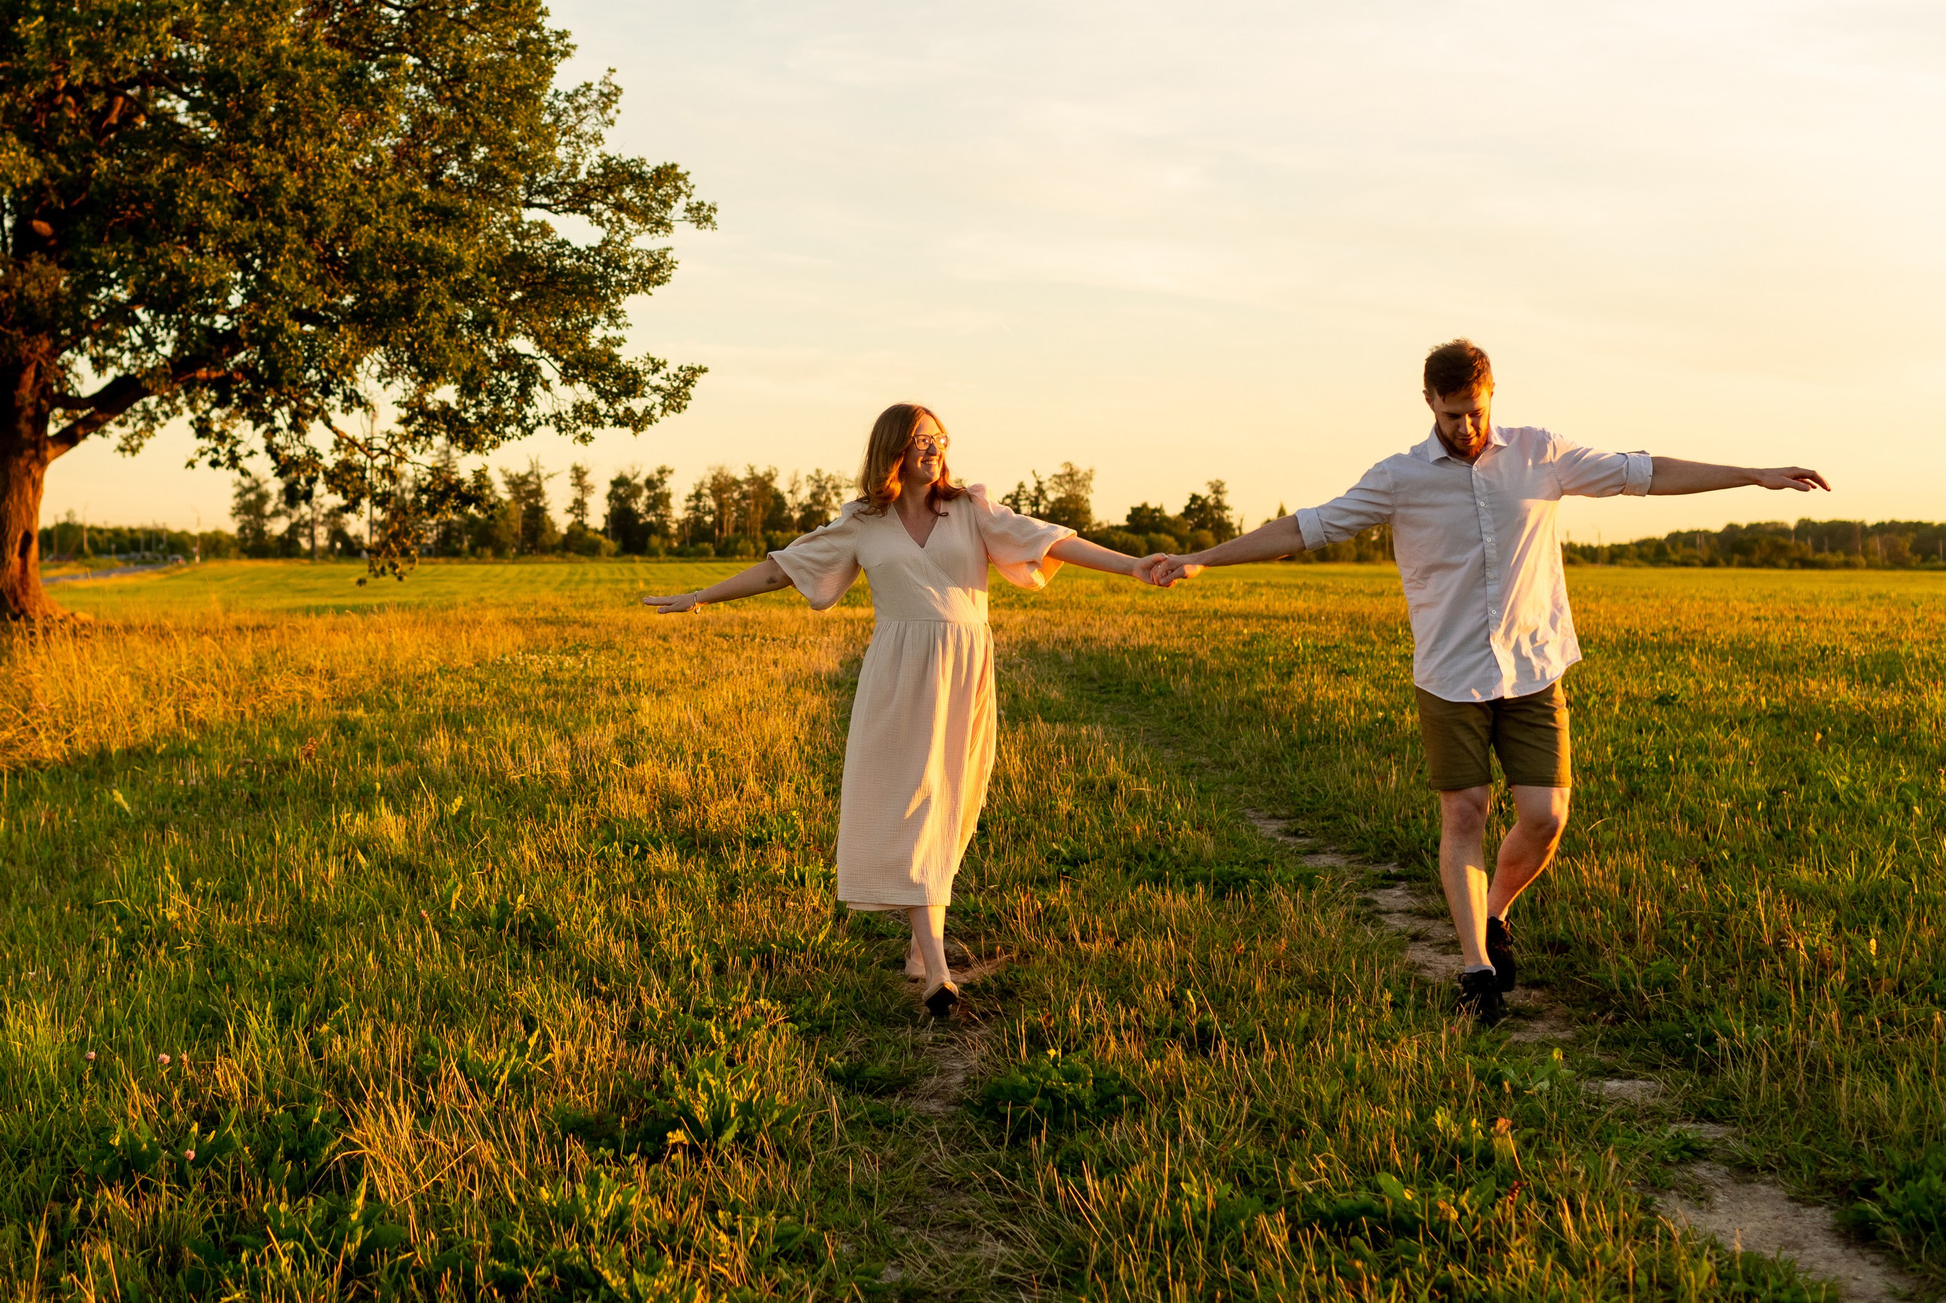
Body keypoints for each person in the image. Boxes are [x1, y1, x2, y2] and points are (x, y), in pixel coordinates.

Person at [1141, 339, 1827, 1024]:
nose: (1464, 427)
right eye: (1450, 415)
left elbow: (1644, 471)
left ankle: (1493, 913)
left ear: (1491, 393)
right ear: (1429, 404)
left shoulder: (1541, 454)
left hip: (1533, 667)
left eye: (1473, 411)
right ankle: (1476, 972)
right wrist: (1205, 558)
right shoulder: (1399, 476)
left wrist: (1754, 474)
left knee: (1546, 816)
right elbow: (1305, 527)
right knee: (1464, 813)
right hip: (1449, 673)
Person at [644, 402, 1164, 1016]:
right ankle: (937, 972)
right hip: (898, 674)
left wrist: (1135, 565)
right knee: (915, 801)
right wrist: (701, 596)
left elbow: (1052, 541)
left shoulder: (971, 511)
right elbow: (780, 572)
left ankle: (921, 950)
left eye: (939, 439)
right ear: (892, 448)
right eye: (920, 439)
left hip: (966, 669)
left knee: (952, 801)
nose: (932, 449)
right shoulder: (864, 523)